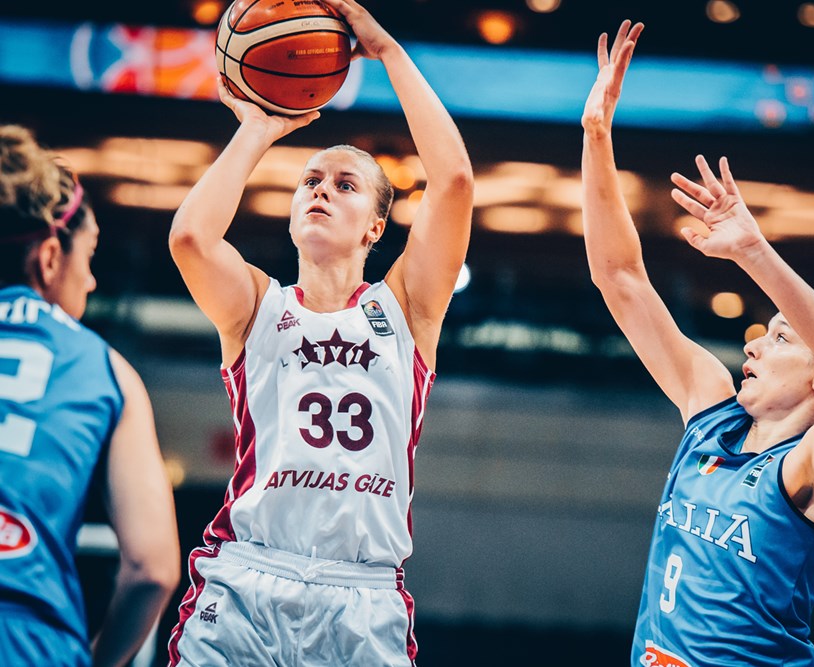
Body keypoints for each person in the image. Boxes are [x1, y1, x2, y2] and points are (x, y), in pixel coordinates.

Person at [582, 23, 814, 667]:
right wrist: (596, 137)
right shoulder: (711, 413)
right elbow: (619, 279)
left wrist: (752, 250)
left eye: (783, 337)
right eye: (764, 333)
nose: (757, 347)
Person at [165, 1, 474, 664]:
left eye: (344, 183)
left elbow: (453, 181)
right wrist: (255, 130)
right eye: (309, 180)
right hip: (247, 579)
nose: (320, 190)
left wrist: (389, 52)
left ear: (374, 227)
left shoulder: (408, 309)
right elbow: (190, 237)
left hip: (361, 595)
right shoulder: (256, 306)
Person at [0, 124, 180, 667]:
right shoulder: (107, 370)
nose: (94, 282)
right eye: (90, 254)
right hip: (29, 641)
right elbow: (153, 569)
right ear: (50, 257)